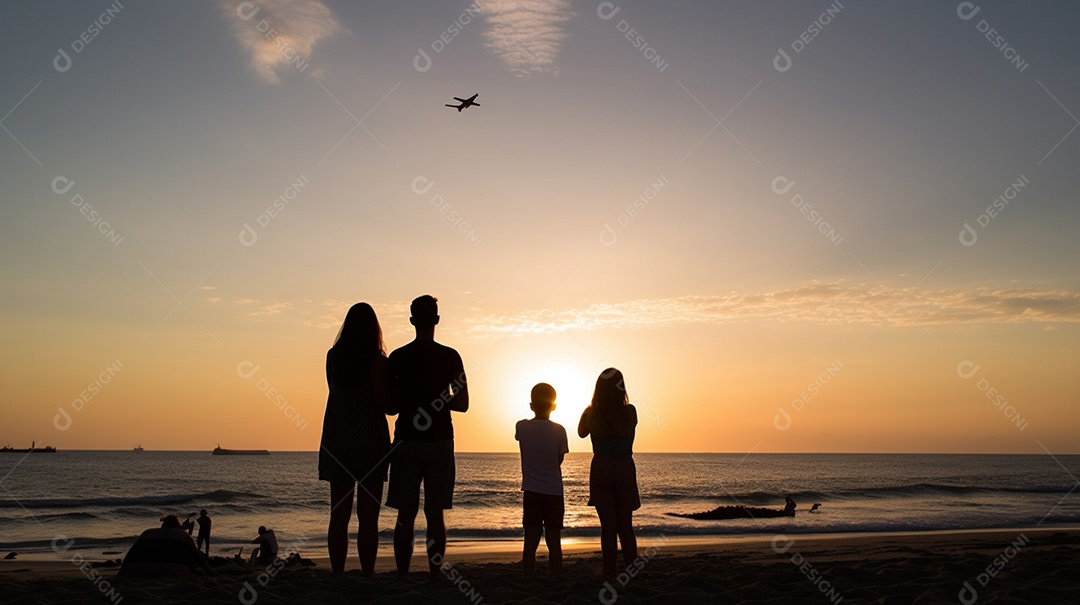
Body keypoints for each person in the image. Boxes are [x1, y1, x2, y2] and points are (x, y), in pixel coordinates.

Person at [386, 295, 469, 576]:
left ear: (411, 321)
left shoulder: (398, 357)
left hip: (407, 440)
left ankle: (402, 574)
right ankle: (435, 574)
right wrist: (438, 397)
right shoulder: (450, 356)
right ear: (436, 320)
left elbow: (390, 406)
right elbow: (463, 403)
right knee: (435, 514)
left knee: (405, 514)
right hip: (440, 441)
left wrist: (411, 396)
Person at [318, 302, 393, 575]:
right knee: (368, 517)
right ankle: (367, 573)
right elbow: (387, 405)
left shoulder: (333, 357)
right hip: (370, 439)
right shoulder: (378, 363)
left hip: (338, 438)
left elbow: (334, 392)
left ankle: (338, 573)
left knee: (338, 515)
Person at [578, 368, 640, 579]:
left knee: (608, 527)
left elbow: (580, 432)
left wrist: (590, 409)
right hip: (624, 466)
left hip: (601, 467)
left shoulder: (591, 412)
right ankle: (631, 570)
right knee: (625, 525)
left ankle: (609, 571)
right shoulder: (630, 411)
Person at [515, 383, 569, 576]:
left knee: (530, 539)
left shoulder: (522, 426)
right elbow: (559, 459)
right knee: (554, 540)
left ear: (531, 405)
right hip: (554, 490)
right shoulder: (560, 430)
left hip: (532, 490)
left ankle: (528, 575)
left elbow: (518, 435)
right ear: (553, 406)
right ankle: (555, 575)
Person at [118, 515, 214, 577]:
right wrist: (210, 571)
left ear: (162, 525)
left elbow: (131, 554)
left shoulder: (147, 533)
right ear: (177, 526)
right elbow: (198, 557)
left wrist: (121, 572)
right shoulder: (183, 535)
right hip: (174, 571)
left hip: (137, 570)